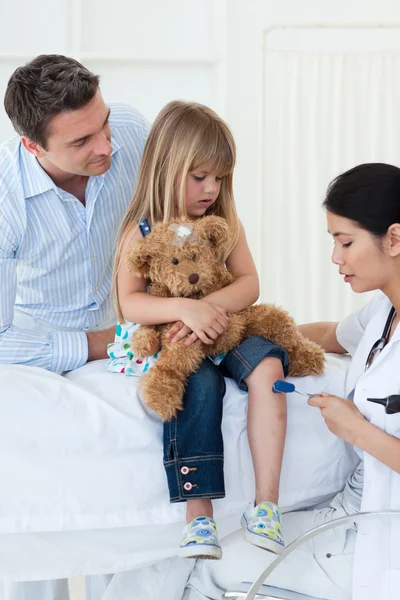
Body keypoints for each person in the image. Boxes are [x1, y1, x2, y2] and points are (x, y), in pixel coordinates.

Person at [182, 162, 400, 600]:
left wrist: (356, 429)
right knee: (188, 556)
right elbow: (327, 334)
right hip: (345, 515)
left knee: (205, 572)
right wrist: (239, 337)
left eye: (345, 242)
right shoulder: (383, 312)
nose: (335, 258)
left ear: (393, 238)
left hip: (378, 538)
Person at [109, 100, 289, 560]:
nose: (211, 188)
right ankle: (199, 512)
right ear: (168, 168)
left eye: (220, 178)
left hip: (226, 326)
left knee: (268, 365)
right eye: (200, 176)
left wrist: (207, 307)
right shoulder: (142, 230)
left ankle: (266, 505)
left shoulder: (224, 225)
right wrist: (182, 311)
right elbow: (131, 301)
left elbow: (249, 283)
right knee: (200, 386)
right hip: (179, 341)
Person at [0, 54, 149, 599]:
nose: (105, 146)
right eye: (82, 141)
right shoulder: (5, 201)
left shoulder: (133, 132)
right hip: (36, 354)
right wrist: (92, 345)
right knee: (36, 508)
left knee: (132, 502)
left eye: (102, 123)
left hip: (129, 341)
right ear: (33, 147)